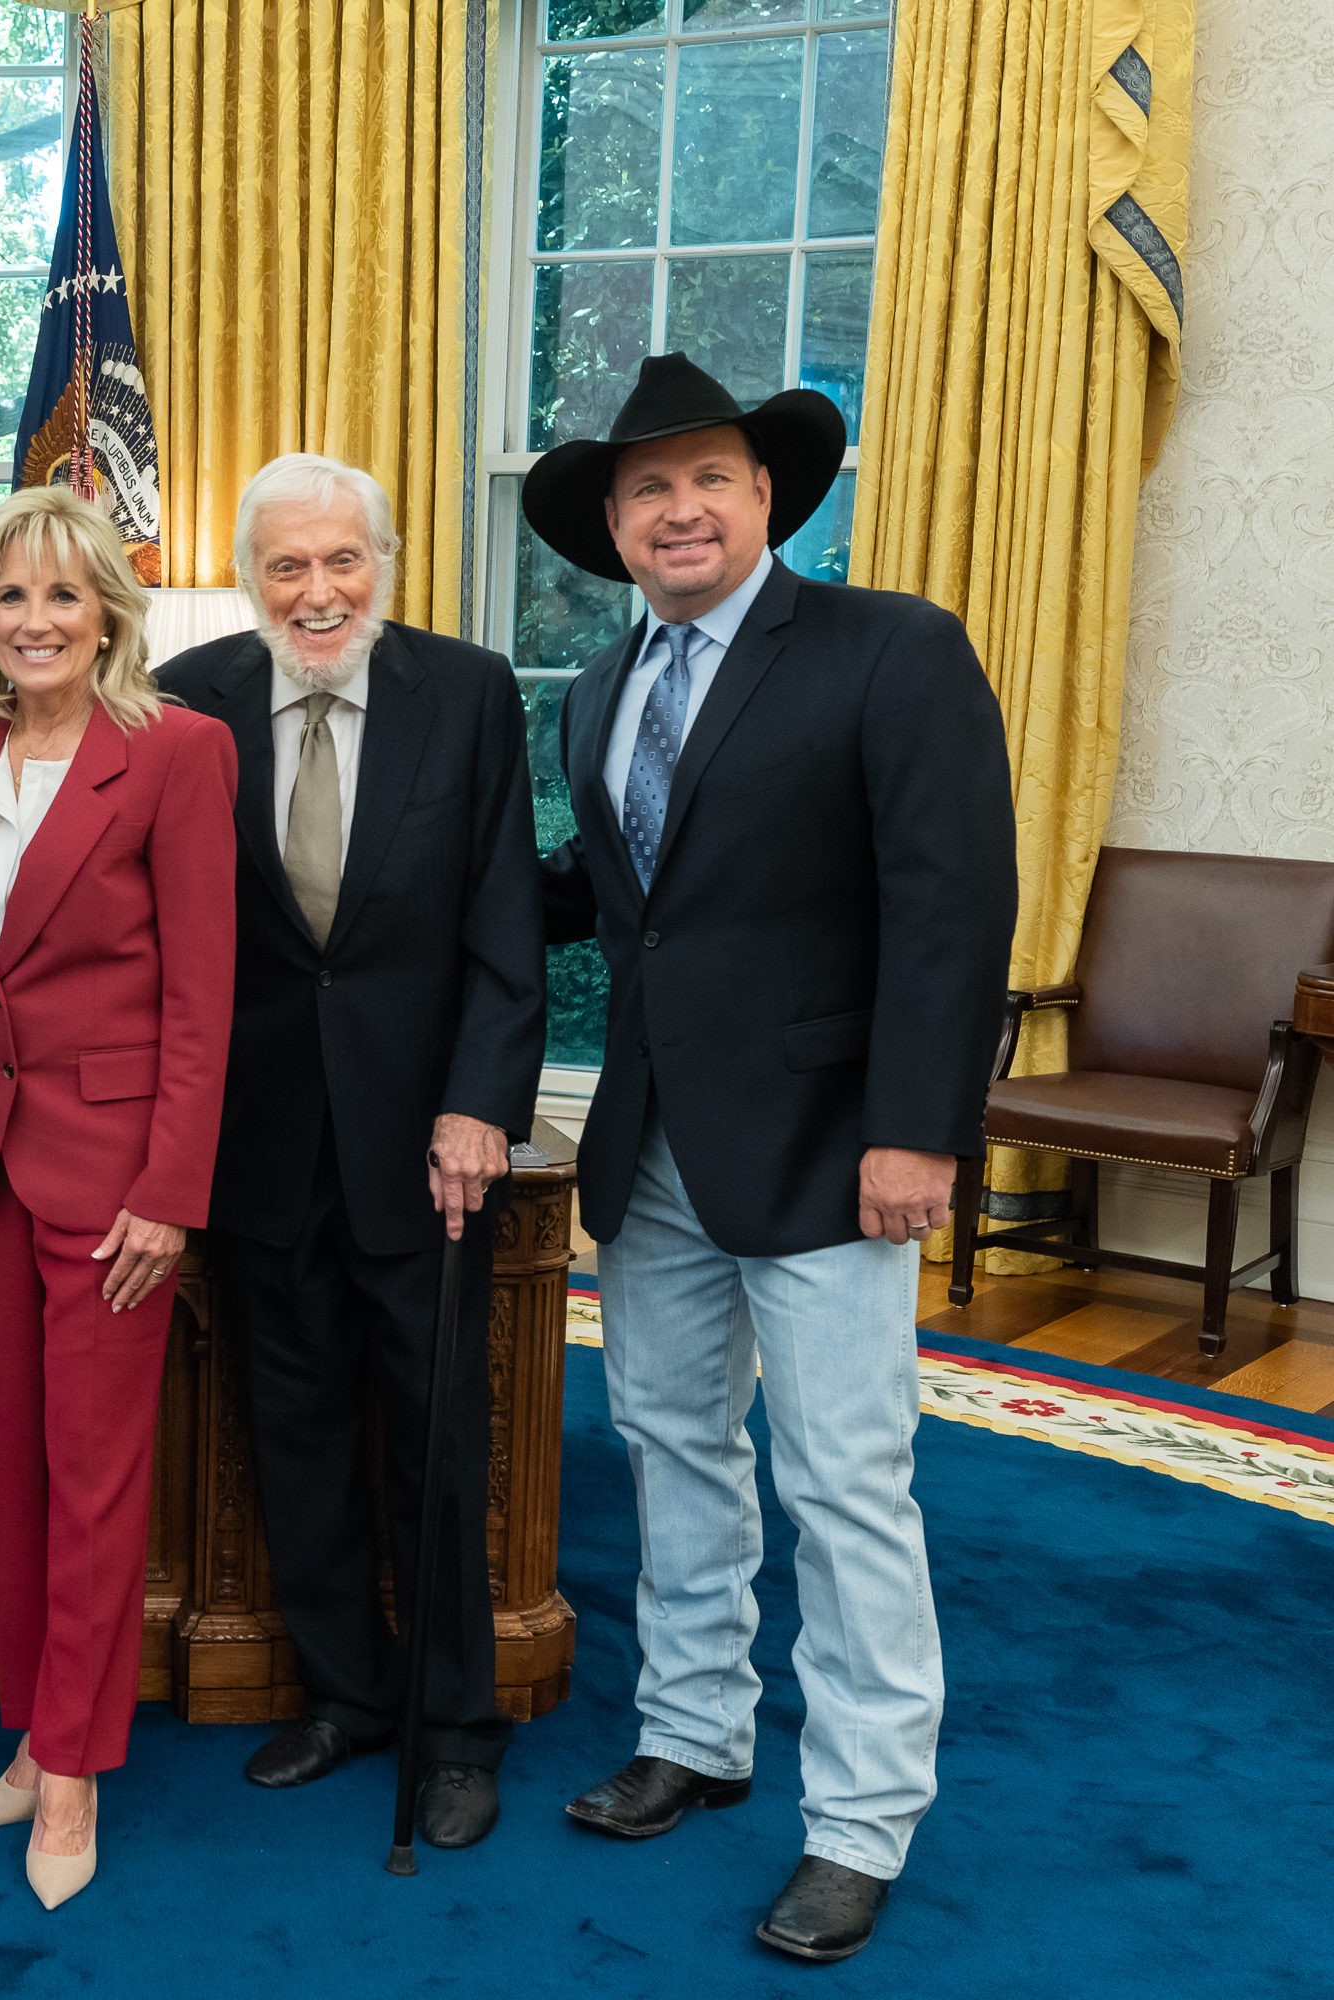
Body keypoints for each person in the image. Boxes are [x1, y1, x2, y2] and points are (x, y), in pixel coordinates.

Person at [524, 353, 1016, 1962]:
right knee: (673, 1446)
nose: (680, 508)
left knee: (846, 1480)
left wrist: (917, 1133)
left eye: (709, 479)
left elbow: (953, 908)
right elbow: (610, 898)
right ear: (613, 522)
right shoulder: (602, 690)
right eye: (648, 487)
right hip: (655, 1144)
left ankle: (863, 1820)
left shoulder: (893, 651)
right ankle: (694, 1733)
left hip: (830, 1153)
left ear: (767, 498)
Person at [155, 456, 546, 1848]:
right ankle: (343, 1697)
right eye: (287, 567)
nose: (317, 594)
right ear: (249, 575)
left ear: (385, 560)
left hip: (424, 1141)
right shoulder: (191, 694)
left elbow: (506, 922)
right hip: (256, 1142)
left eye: (343, 563)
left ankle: (453, 1731)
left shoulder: (470, 692)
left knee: (436, 1440)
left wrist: (480, 1102)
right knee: (295, 1430)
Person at [0, 487, 236, 1908]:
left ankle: (75, 1769)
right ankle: (31, 1723)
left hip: (119, 1181)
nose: (37, 621)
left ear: (110, 607)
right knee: (12, 1469)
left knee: (100, 1479)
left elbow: (203, 994)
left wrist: (172, 1192)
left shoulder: (178, 752)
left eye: (64, 595)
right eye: (10, 597)